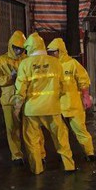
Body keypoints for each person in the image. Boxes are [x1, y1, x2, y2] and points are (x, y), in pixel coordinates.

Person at [14, 33, 75, 175]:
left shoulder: (25, 63)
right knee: (61, 138)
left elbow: (20, 90)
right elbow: (63, 86)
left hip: (32, 111)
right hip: (52, 108)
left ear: (28, 47)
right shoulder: (56, 62)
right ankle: (69, 166)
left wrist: (17, 109)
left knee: (32, 141)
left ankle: (37, 169)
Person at [47, 38, 96, 161]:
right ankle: (65, 157)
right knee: (60, 133)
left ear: (60, 51)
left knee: (80, 130)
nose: (52, 54)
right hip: (57, 105)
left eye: (54, 51)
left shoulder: (72, 63)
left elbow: (83, 81)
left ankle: (89, 153)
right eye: (50, 52)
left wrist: (86, 97)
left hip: (73, 104)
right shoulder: (49, 65)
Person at [0, 31, 26, 164]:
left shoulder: (26, 60)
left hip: (25, 99)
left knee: (29, 128)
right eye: (16, 48)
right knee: (12, 129)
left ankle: (36, 154)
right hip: (9, 100)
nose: (18, 50)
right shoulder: (2, 60)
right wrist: (10, 78)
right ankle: (17, 155)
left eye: (21, 48)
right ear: (11, 46)